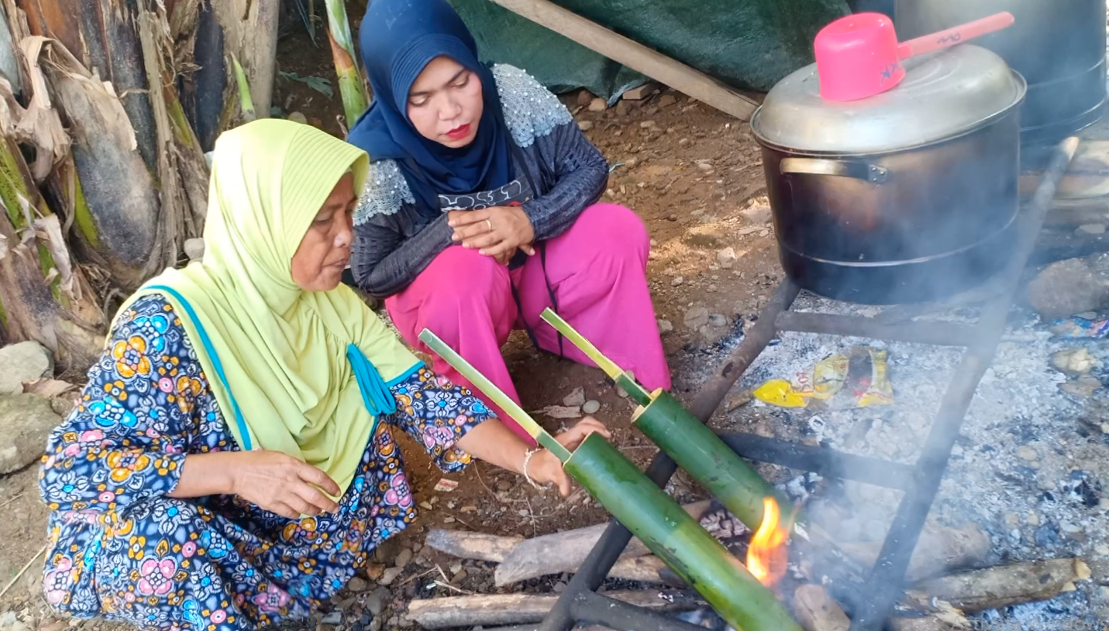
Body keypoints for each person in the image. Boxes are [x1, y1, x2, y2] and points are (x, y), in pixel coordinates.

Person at [37, 119, 607, 631]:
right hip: (196, 523)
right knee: (152, 541)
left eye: (349, 213)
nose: (347, 237)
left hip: (294, 524)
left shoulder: (328, 303)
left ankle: (279, 587)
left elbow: (426, 398)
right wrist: (235, 472)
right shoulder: (166, 326)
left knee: (367, 405)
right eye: (321, 221)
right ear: (264, 222)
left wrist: (535, 456)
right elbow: (71, 471)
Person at [346, 0, 671, 442]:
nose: (450, 111)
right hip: (460, 302)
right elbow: (370, 276)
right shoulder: (376, 159)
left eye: (460, 82)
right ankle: (501, 429)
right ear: (389, 95)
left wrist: (529, 221)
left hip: (535, 272)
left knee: (618, 230)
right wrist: (449, 231)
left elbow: (589, 168)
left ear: (471, 62)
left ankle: (638, 378)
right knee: (466, 269)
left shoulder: (509, 91)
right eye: (421, 100)